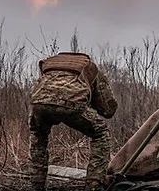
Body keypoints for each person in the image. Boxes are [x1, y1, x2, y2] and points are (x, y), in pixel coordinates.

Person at [28, 52, 118, 191]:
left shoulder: (49, 64)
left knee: (38, 135)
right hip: (72, 104)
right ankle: (94, 185)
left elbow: (45, 91)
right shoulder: (90, 67)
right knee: (101, 133)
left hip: (38, 103)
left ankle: (36, 185)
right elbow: (108, 109)